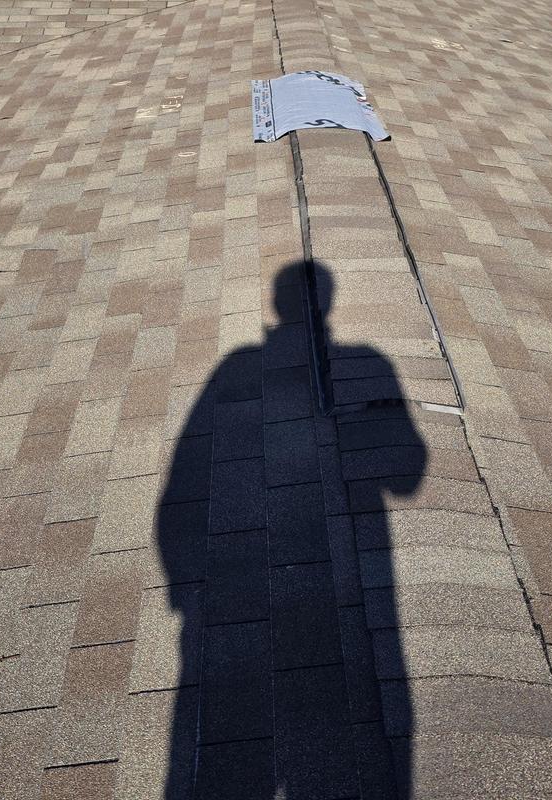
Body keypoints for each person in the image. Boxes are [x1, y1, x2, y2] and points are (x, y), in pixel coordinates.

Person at [156, 259, 426, 799]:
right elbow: (408, 476)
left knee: (219, 752)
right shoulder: (366, 357)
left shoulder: (236, 364)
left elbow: (181, 479)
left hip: (214, 605)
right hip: (348, 577)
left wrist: (184, 591)